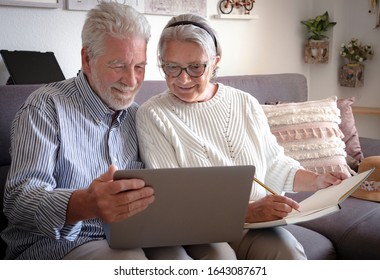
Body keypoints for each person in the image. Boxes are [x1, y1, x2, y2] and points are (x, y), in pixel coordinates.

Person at [1, 3, 235, 260]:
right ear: (87, 59)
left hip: (133, 235)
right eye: (118, 65)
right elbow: (18, 200)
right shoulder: (45, 107)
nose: (132, 80)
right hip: (57, 244)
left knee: (218, 253)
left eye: (139, 67)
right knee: (129, 262)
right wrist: (84, 203)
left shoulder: (139, 115)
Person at [136, 13, 348, 260]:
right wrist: (248, 212)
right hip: (199, 230)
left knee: (288, 252)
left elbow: (274, 164)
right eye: (171, 67)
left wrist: (319, 181)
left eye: (195, 67)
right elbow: (174, 200)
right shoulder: (153, 114)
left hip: (256, 226)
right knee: (221, 258)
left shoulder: (244, 103)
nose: (183, 79)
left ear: (215, 62)